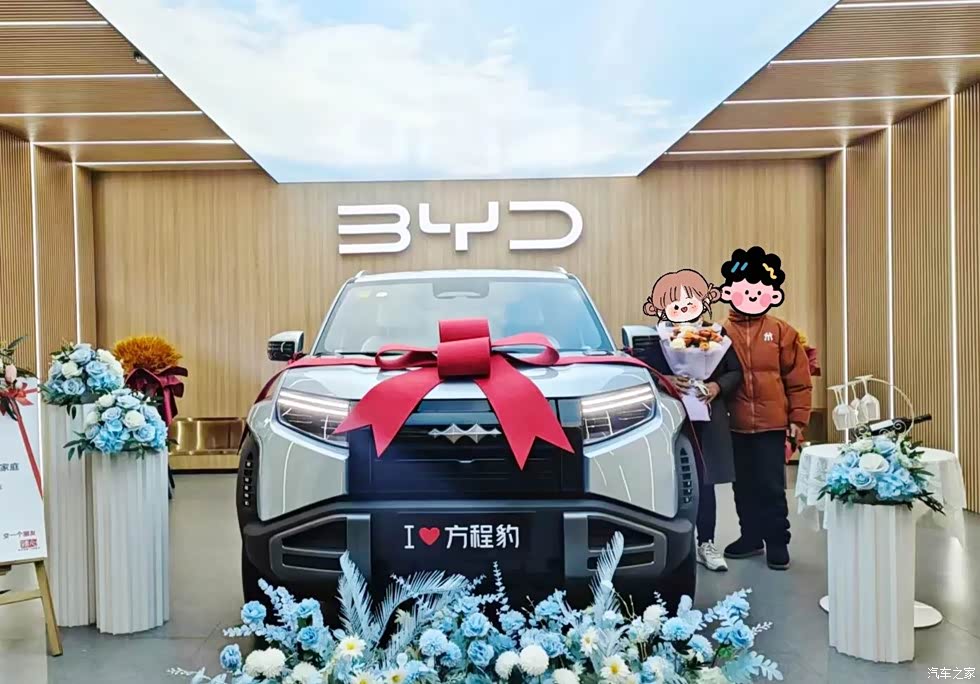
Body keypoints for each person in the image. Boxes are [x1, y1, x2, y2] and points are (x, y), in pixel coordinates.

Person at [639, 269, 743, 572]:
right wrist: (666, 379)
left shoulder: (718, 335)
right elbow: (642, 371)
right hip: (669, 419)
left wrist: (716, 386)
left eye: (690, 301)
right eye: (675, 304)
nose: (684, 308)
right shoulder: (655, 338)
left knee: (704, 481)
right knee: (668, 481)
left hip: (707, 418)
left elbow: (736, 372)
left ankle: (706, 543)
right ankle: (671, 546)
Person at [718, 247, 812, 571]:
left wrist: (798, 419)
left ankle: (777, 542)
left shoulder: (782, 331)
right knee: (742, 486)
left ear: (772, 293)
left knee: (771, 486)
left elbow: (798, 380)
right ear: (729, 291)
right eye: (745, 289)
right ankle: (750, 538)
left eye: (759, 290)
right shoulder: (720, 333)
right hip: (734, 424)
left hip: (772, 424)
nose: (752, 295)